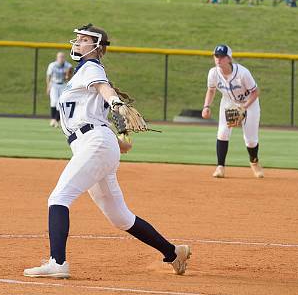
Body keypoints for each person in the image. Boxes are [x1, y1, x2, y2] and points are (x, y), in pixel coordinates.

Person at [24, 24, 192, 279]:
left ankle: (58, 263)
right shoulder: (82, 74)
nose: (77, 42)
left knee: (59, 198)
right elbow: (99, 105)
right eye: (77, 38)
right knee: (120, 218)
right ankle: (173, 252)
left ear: (95, 46)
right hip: (96, 144)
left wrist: (115, 101)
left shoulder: (92, 68)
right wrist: (120, 140)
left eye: (83, 39)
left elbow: (106, 91)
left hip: (94, 143)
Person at [201, 44, 264, 179]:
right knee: (222, 133)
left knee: (251, 140)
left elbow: (255, 92)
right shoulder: (213, 73)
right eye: (216, 56)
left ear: (229, 58)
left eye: (222, 56)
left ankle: (254, 162)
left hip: (249, 103)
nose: (218, 59)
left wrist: (244, 107)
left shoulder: (242, 73)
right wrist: (206, 106)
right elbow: (211, 90)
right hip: (229, 102)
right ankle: (220, 167)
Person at [45, 52, 73, 127]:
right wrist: (48, 86)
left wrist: (67, 76)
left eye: (62, 57)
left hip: (63, 85)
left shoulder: (68, 65)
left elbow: (70, 77)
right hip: (54, 84)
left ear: (64, 58)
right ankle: (53, 119)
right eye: (60, 57)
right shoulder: (52, 65)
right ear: (57, 58)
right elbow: (48, 76)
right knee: (54, 101)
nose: (61, 58)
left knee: (60, 102)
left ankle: (56, 120)